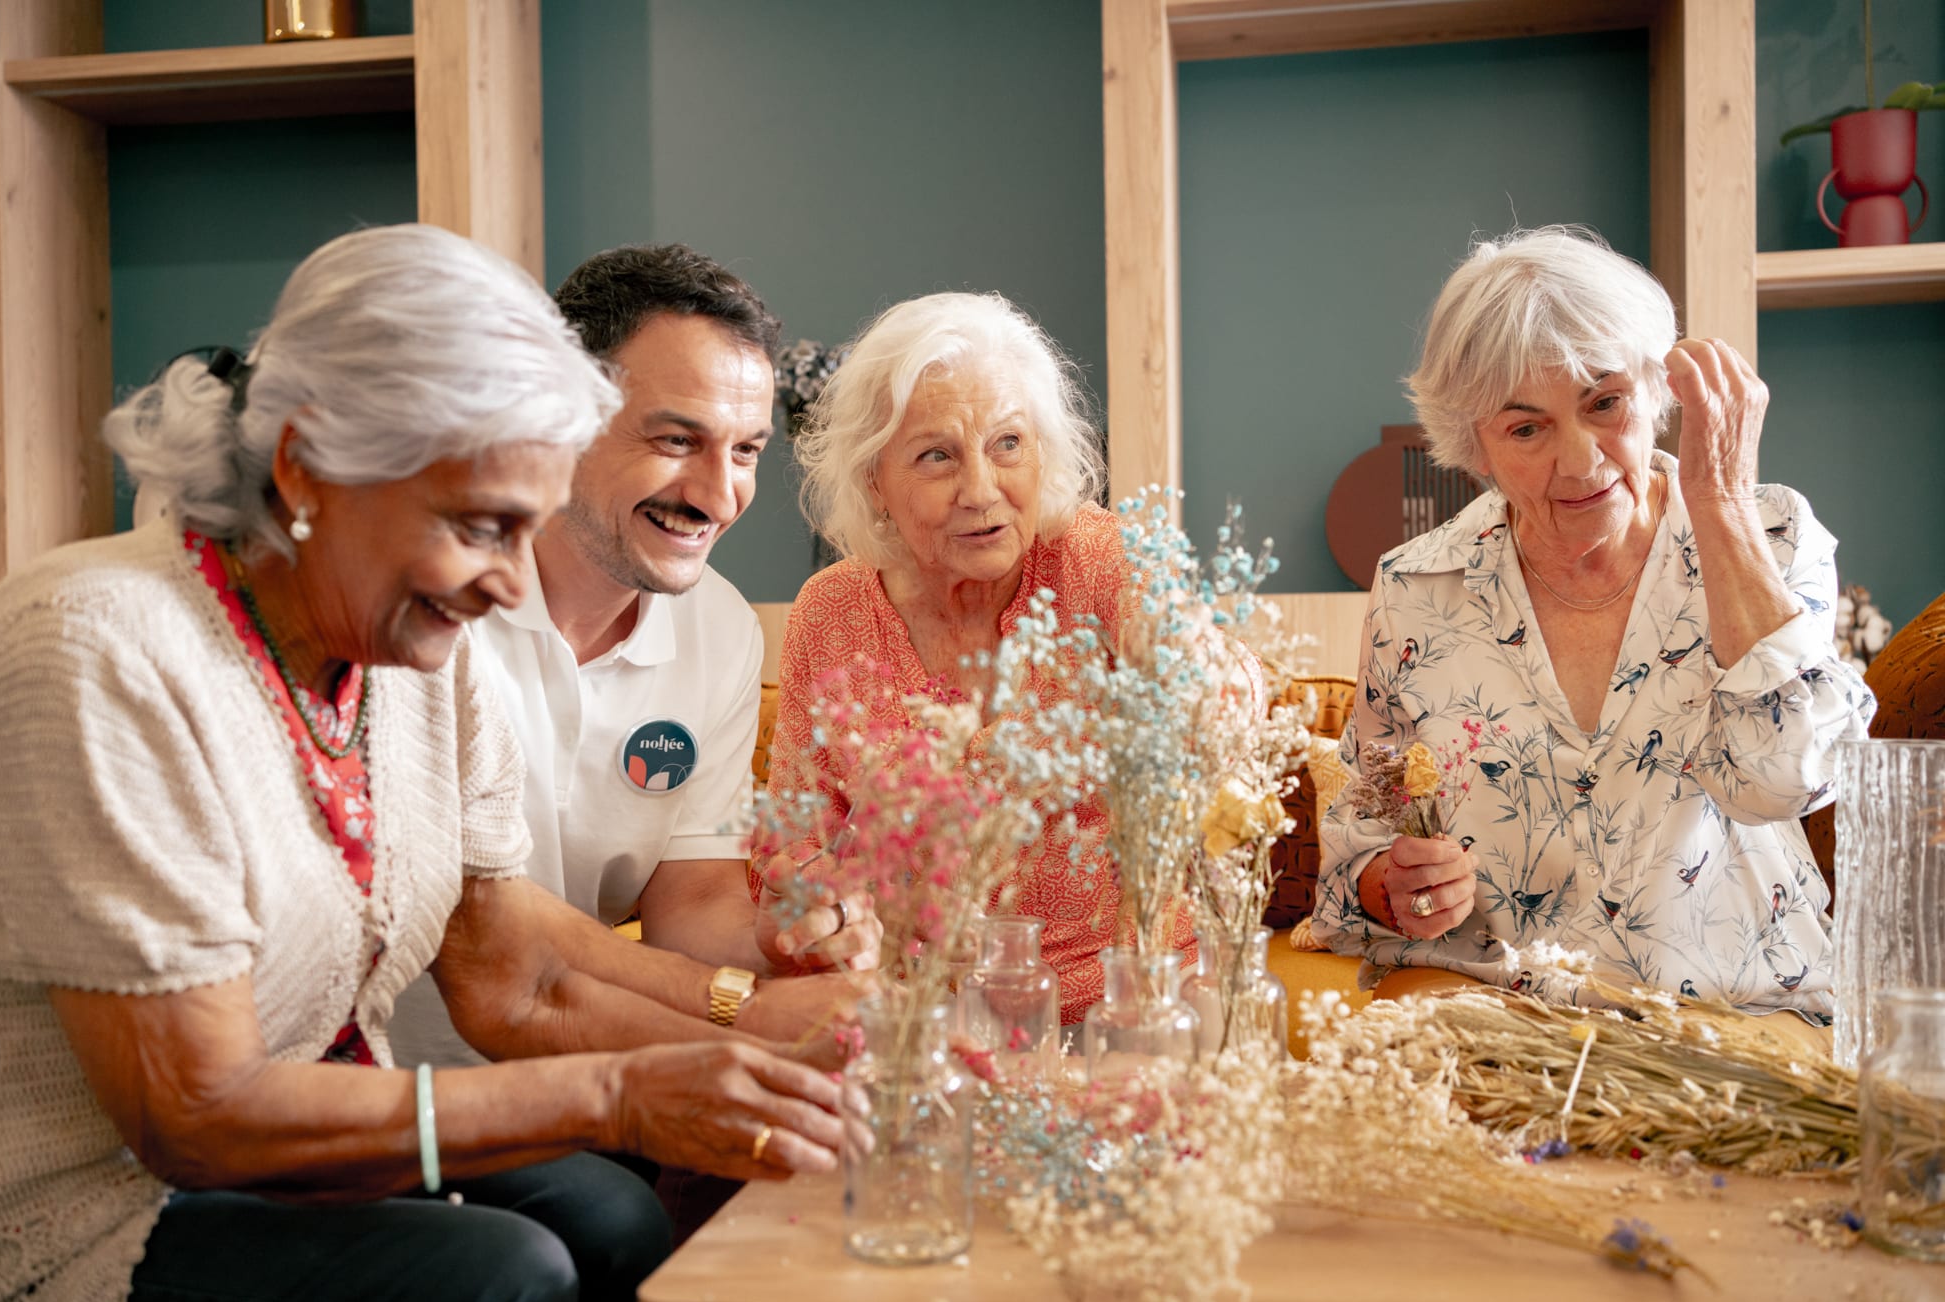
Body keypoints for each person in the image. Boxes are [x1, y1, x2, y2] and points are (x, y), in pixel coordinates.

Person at [0, 224, 843, 1302]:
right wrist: (619, 1090)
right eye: (480, 527)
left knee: (613, 1223)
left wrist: (775, 1051)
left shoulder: (406, 648)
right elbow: (195, 1111)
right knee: (506, 1273)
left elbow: (515, 966)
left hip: (294, 1156)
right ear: (305, 463)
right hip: (96, 1209)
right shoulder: (93, 650)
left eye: (528, 527)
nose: (509, 581)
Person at [1311, 226, 1876, 1028]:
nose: (1580, 461)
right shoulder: (1414, 588)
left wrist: (1719, 506)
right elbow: (1358, 845)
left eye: (1604, 403)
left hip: (1738, 1029)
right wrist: (1393, 887)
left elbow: (1787, 779)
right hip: (1504, 1034)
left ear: (1655, 390)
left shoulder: (1772, 536)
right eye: (1526, 427)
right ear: (1475, 445)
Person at [390, 245, 876, 1084]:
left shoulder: (719, 629)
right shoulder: (427, 609)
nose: (720, 496)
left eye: (748, 451)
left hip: (586, 1062)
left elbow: (690, 904)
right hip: (386, 1085)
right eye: (677, 439)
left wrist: (777, 940)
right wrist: (748, 1014)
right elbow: (483, 932)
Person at [762, 292, 1256, 1026]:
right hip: (922, 1020)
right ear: (875, 481)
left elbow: (1232, 709)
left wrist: (1191, 667)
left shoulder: (1097, 557)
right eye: (937, 456)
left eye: (1008, 444)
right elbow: (793, 848)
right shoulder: (830, 612)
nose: (982, 490)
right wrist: (823, 913)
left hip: (1135, 1005)